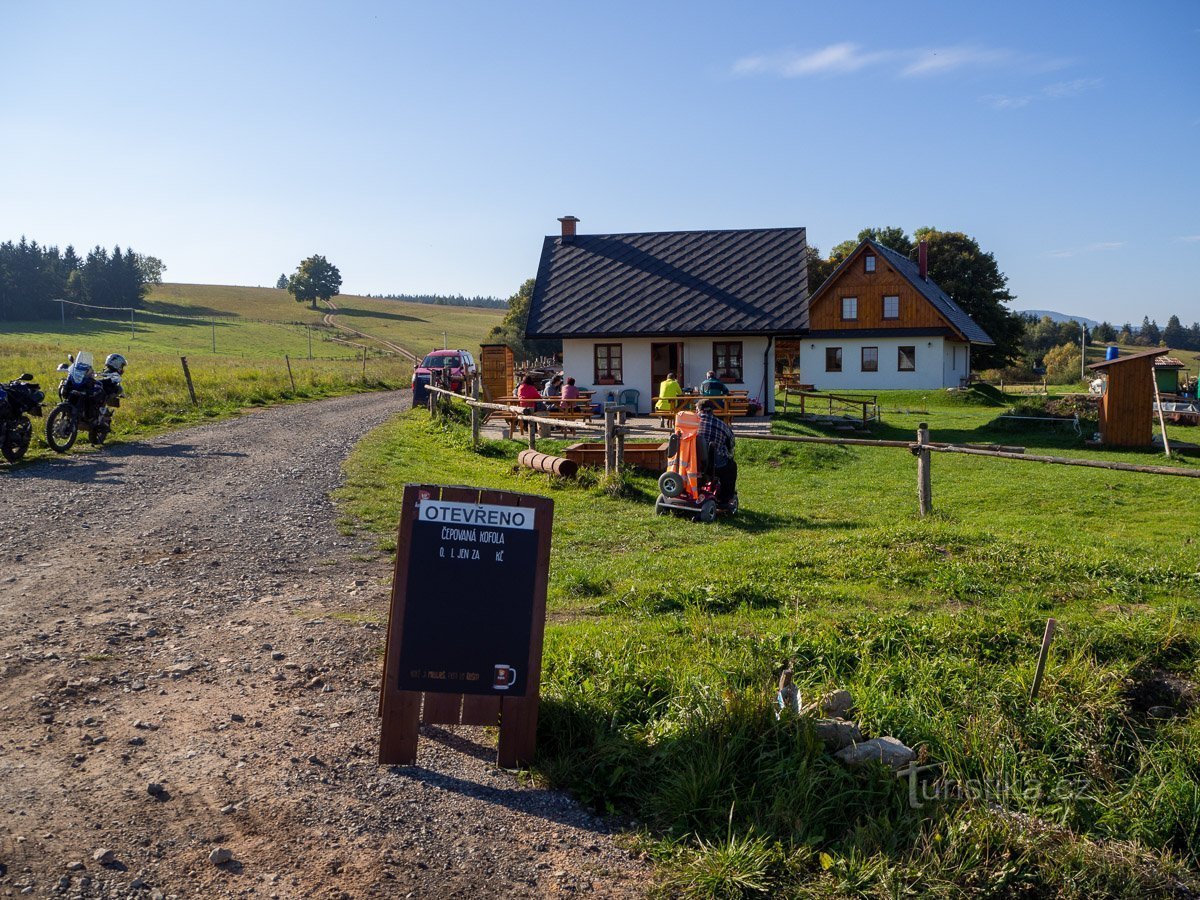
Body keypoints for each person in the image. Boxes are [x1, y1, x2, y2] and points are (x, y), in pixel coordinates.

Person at [696, 398, 737, 507]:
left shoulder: (690, 424)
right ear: (712, 411)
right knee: (731, 467)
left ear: (698, 410)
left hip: (690, 463)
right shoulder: (721, 425)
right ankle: (725, 499)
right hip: (713, 466)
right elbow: (731, 443)